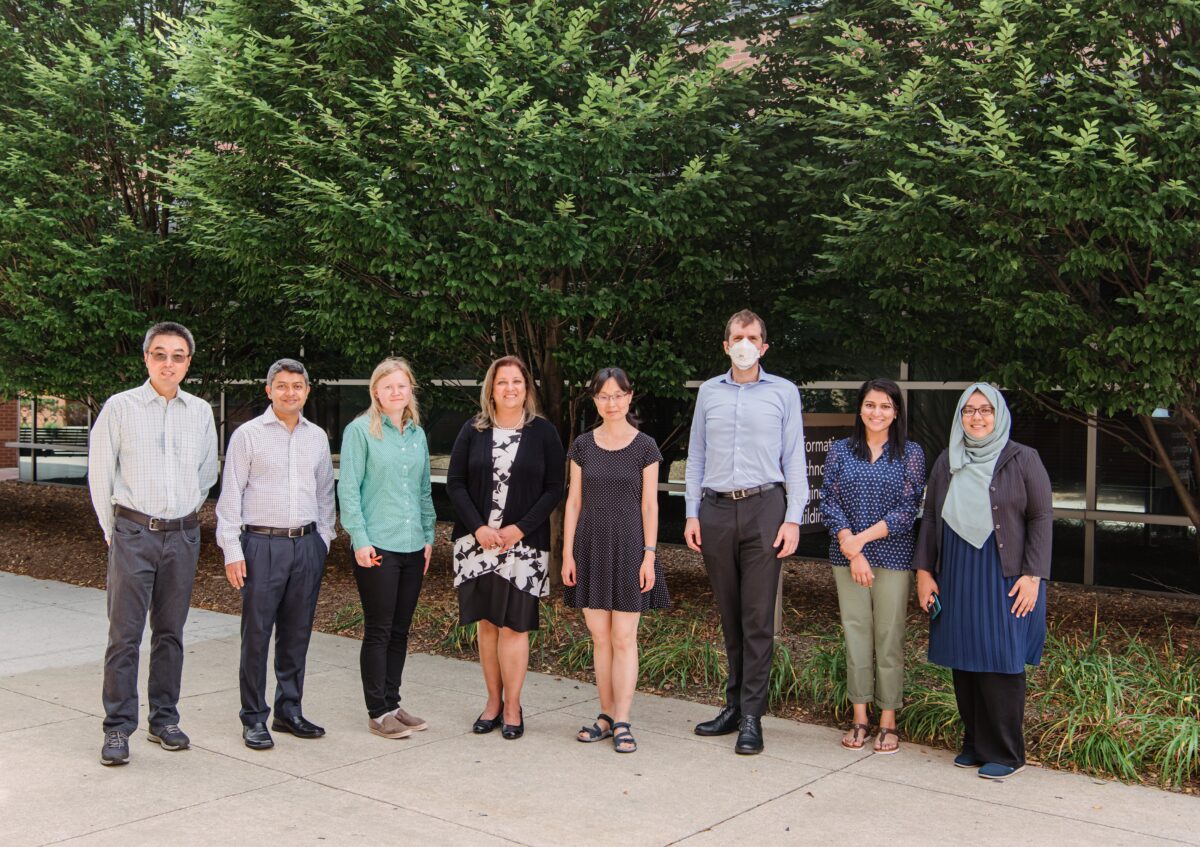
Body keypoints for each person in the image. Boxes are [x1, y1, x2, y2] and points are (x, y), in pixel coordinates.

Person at [88, 321, 219, 766]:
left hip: (182, 536)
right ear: (147, 359)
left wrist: (181, 513)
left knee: (170, 633)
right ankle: (118, 728)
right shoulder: (120, 408)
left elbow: (206, 474)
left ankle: (164, 719)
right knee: (124, 635)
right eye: (160, 354)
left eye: (177, 355)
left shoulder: (200, 412)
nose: (169, 363)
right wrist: (116, 531)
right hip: (133, 533)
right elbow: (99, 473)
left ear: (188, 362)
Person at [684, 309, 808, 755]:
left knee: (757, 618)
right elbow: (696, 454)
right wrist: (692, 513)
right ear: (725, 344)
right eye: (738, 335)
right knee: (730, 615)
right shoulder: (708, 394)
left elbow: (794, 457)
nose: (745, 342)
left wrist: (793, 517)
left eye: (753, 337)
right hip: (716, 510)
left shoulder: (783, 393)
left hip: (764, 509)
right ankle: (733, 706)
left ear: (764, 346)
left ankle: (753, 717)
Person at [914, 383, 1052, 780]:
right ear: (960, 417)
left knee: (1001, 659)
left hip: (1004, 572)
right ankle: (975, 743)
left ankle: (1006, 753)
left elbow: (1041, 518)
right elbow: (932, 519)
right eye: (969, 410)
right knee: (964, 657)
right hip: (956, 568)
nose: (976, 417)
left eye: (985, 410)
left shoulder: (1024, 459)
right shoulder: (947, 461)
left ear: (999, 415)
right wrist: (925, 574)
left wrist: (1033, 576)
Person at [216, 358, 336, 750]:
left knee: (296, 633)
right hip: (260, 546)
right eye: (281, 385)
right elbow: (230, 496)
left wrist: (324, 540)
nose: (289, 392)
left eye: (297, 386)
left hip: (306, 545)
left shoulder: (317, 437)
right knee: (256, 635)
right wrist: (232, 549)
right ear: (269, 390)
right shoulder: (248, 436)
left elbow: (324, 495)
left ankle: (290, 710)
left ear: (306, 391)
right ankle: (253, 717)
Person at [446, 355, 565, 740]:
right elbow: (456, 484)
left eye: (517, 382)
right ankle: (492, 702)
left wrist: (519, 528)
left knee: (514, 626)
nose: (510, 388)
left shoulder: (544, 433)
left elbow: (553, 490)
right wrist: (479, 527)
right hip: (477, 544)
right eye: (502, 382)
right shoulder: (473, 430)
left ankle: (513, 706)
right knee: (488, 625)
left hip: (523, 546)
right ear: (491, 389)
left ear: (526, 388)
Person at [562, 367, 668, 754]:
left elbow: (651, 505)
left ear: (629, 397)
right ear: (595, 400)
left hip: (629, 548)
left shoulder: (645, 447)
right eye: (603, 396)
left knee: (624, 638)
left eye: (617, 395)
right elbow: (573, 503)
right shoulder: (582, 446)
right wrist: (568, 553)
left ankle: (623, 719)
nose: (611, 402)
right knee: (600, 637)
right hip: (589, 546)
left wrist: (649, 556)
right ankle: (604, 715)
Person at [820, 378, 925, 754]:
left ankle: (888, 719)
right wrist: (852, 548)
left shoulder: (910, 453)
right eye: (869, 405)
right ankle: (860, 717)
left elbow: (907, 509)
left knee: (889, 637)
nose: (876, 412)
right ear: (860, 409)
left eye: (884, 406)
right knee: (857, 634)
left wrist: (860, 541)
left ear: (896, 412)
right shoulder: (840, 451)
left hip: (893, 557)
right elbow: (828, 501)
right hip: (847, 558)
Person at [338, 358, 435, 740]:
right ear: (376, 391)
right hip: (377, 545)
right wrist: (359, 540)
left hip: (413, 546)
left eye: (403, 385)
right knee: (378, 630)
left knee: (400, 629)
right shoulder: (360, 431)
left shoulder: (418, 435)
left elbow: (424, 490)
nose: (396, 392)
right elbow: (348, 489)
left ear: (410, 389)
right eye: (388, 386)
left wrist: (429, 536)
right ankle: (377, 711)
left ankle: (393, 703)